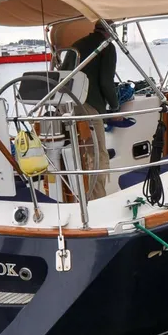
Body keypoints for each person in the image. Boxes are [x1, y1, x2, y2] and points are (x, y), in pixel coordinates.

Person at [62, 20, 119, 200]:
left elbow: (63, 76)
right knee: (98, 154)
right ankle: (98, 198)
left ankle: (76, 196)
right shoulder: (106, 47)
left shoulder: (77, 45)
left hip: (70, 106)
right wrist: (115, 106)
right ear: (110, 32)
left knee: (81, 153)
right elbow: (105, 83)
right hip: (91, 107)